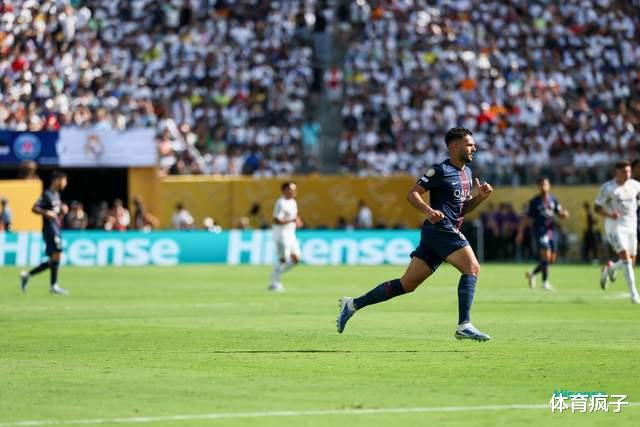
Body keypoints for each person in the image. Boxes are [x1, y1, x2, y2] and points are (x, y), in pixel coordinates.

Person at [336, 127, 494, 341]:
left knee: (407, 284)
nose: (474, 148)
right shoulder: (440, 170)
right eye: (469, 144)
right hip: (440, 228)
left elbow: (462, 209)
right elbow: (412, 194)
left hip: (442, 233)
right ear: (455, 146)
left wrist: (480, 198)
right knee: (472, 268)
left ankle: (352, 304)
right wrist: (429, 211)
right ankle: (464, 324)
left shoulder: (467, 173)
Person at [595, 160, 640, 303]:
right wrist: (609, 215)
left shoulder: (635, 185)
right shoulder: (608, 188)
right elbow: (597, 208)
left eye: (629, 171)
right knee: (625, 259)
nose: (627, 174)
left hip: (631, 226)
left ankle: (610, 268)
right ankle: (634, 293)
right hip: (615, 226)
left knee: (631, 262)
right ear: (617, 172)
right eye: (624, 172)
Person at [515, 177, 570, 290]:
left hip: (551, 231)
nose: (543, 187)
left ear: (549, 186)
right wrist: (520, 233)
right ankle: (545, 283)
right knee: (546, 255)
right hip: (539, 230)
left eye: (545, 184)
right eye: (541, 185)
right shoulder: (534, 202)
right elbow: (526, 218)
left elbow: (559, 213)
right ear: (538, 187)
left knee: (551, 259)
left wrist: (564, 214)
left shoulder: (553, 200)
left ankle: (532, 274)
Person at [20, 171, 69, 295]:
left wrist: (62, 210)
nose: (65, 183)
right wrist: (46, 213)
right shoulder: (46, 194)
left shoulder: (56, 195)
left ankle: (28, 275)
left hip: (56, 228)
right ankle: (53, 286)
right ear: (57, 180)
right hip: (50, 230)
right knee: (56, 256)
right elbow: (34, 208)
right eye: (64, 180)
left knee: (54, 259)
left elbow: (55, 211)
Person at [269, 182, 302, 293]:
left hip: (291, 235)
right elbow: (276, 220)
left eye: (294, 189)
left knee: (296, 260)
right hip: (281, 235)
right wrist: (291, 220)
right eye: (290, 189)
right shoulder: (281, 203)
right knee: (283, 260)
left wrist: (297, 220)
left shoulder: (293, 202)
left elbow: (294, 215)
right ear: (284, 190)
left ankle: (274, 275)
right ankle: (275, 283)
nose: (293, 192)